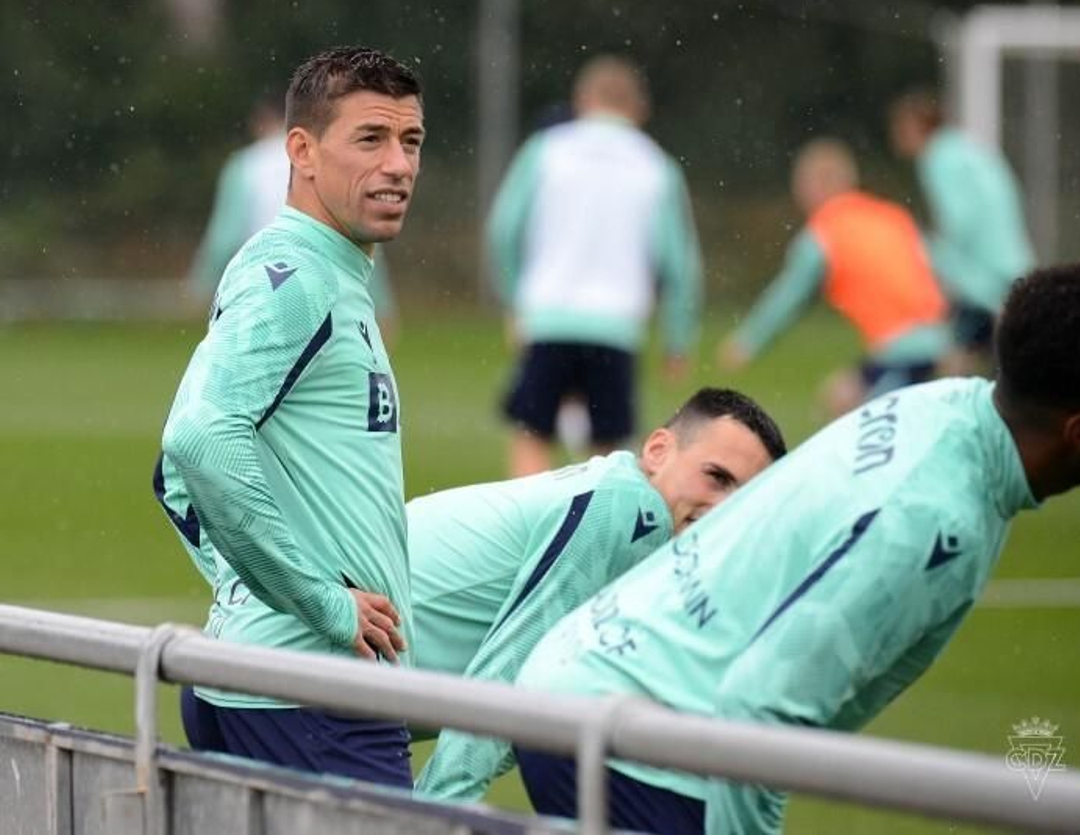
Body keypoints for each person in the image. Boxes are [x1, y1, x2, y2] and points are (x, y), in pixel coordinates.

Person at [508, 262, 1080, 835]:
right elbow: (761, 710)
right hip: (633, 739)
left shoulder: (947, 406)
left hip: (590, 682)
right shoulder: (934, 520)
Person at [155, 46, 424, 787]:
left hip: (282, 685)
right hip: (310, 696)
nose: (398, 164)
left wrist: (250, 584)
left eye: (411, 141)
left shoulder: (329, 271)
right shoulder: (297, 277)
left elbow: (174, 477)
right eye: (370, 139)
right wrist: (316, 602)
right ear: (301, 150)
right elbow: (197, 441)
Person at [412, 388, 787, 802]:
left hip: (355, 663)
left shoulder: (624, 501)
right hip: (347, 661)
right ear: (658, 450)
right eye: (716, 477)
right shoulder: (627, 508)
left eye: (746, 498)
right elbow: (509, 671)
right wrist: (438, 807)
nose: (725, 509)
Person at [487, 55, 702, 476]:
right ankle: (594, 537)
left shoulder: (547, 149)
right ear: (640, 108)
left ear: (582, 99)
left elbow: (503, 230)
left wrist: (514, 302)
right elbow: (680, 266)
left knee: (533, 435)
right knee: (605, 457)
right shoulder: (656, 166)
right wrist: (678, 339)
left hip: (548, 318)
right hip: (615, 327)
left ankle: (531, 535)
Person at [720, 139, 950, 417]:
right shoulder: (892, 216)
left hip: (904, 353)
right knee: (842, 397)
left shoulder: (824, 232)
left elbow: (789, 295)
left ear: (812, 186)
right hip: (939, 341)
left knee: (877, 436)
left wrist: (748, 341)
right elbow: (938, 268)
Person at [189, 93, 398, 335]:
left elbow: (224, 238)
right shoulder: (327, 161)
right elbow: (360, 236)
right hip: (329, 282)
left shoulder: (245, 165)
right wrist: (381, 301)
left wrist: (203, 287)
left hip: (263, 284)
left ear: (260, 120)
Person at [888, 88, 1034, 370]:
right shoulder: (966, 147)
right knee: (1003, 354)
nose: (897, 136)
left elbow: (959, 220)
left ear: (916, 126)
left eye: (900, 128)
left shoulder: (938, 157)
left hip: (981, 278)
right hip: (1010, 262)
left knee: (957, 354)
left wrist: (937, 258)